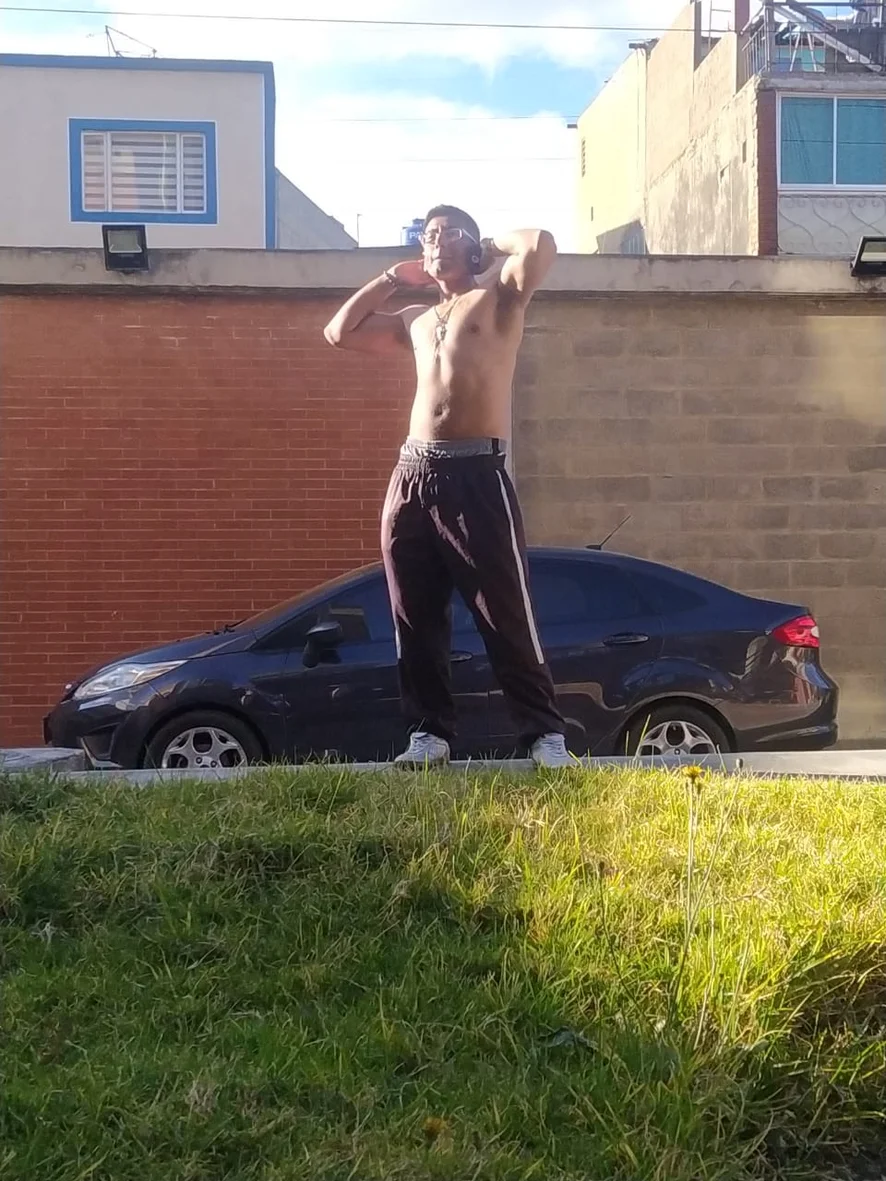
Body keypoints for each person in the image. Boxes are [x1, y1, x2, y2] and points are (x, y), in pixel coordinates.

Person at [323, 205, 570, 768]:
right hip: (412, 474)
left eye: (446, 233)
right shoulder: (414, 318)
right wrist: (391, 278)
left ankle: (543, 734)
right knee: (413, 613)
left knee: (505, 610)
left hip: (476, 473)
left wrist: (484, 245)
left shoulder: (498, 297)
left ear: (470, 244)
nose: (434, 242)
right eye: (427, 235)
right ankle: (428, 735)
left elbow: (539, 243)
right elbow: (339, 332)